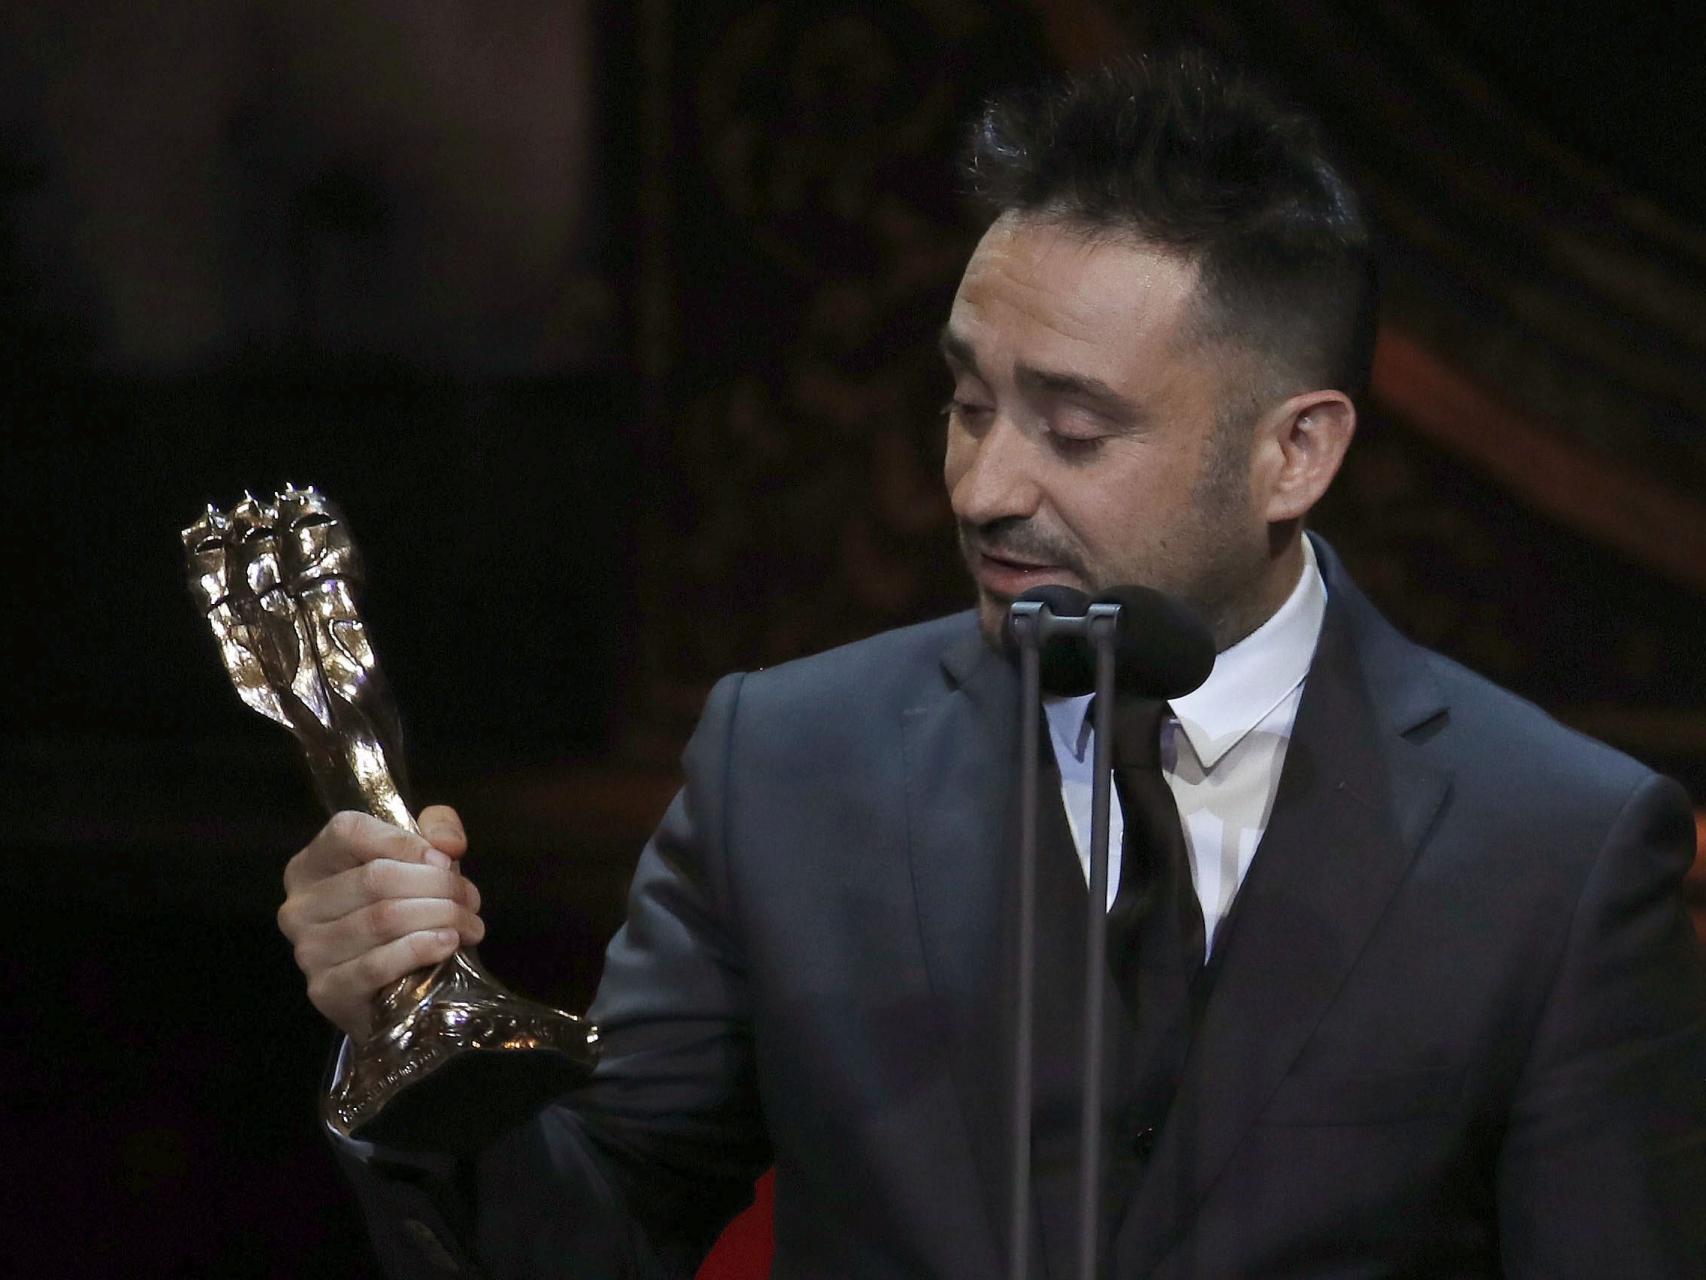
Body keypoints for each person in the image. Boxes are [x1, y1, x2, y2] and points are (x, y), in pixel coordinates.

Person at [276, 53, 1706, 1278]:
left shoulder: (1556, 848)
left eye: (1074, 431)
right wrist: (410, 1039)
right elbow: (585, 1235)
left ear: (1296, 452)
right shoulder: (789, 764)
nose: (982, 488)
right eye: (968, 404)